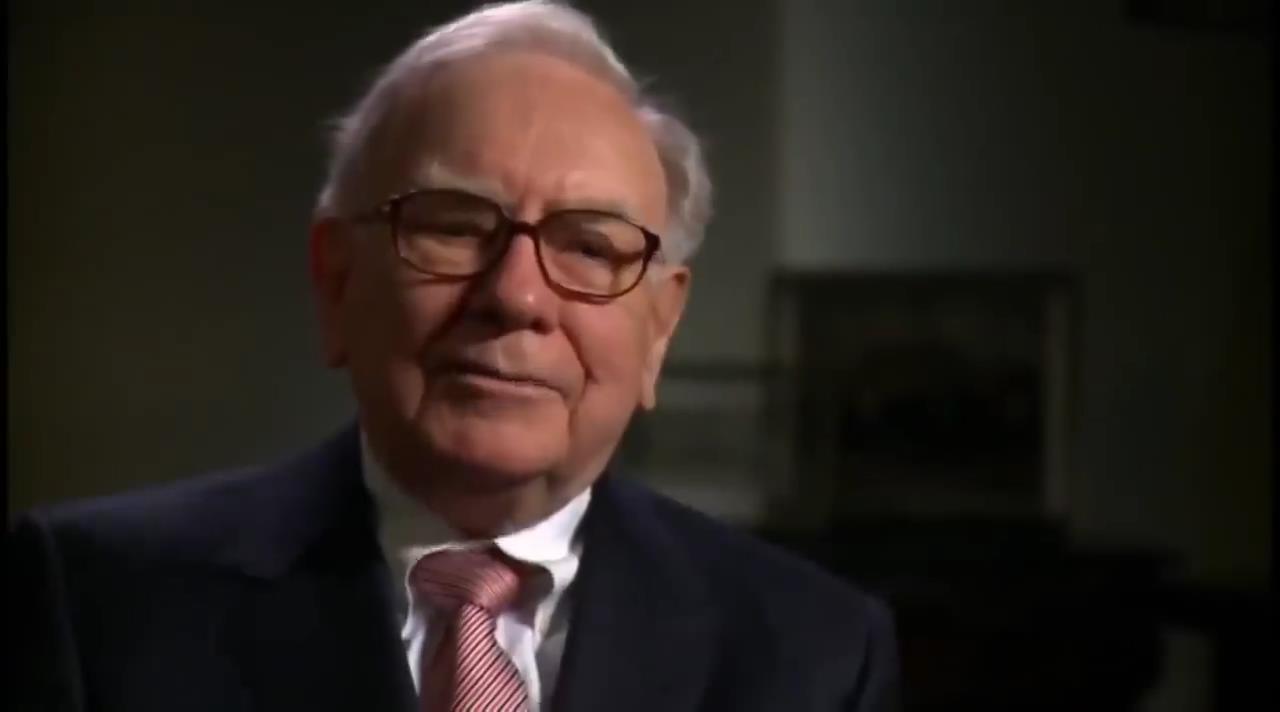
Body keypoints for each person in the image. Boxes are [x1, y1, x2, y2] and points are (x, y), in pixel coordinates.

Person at [7, 2, 900, 710]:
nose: (516, 296)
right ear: (336, 280)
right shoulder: (98, 603)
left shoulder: (815, 656)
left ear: (659, 328)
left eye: (590, 247)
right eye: (453, 227)